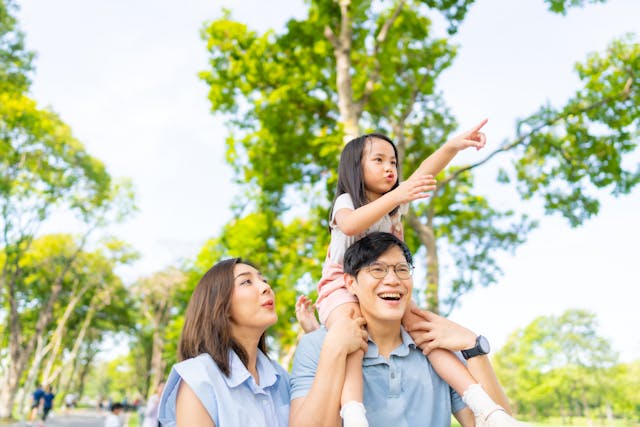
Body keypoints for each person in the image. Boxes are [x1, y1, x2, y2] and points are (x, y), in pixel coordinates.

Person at [311, 122, 519, 427]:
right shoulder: (348, 202)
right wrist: (398, 197)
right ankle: (354, 415)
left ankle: (486, 408)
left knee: (426, 334)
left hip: (381, 289)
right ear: (355, 168)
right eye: (378, 160)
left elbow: (423, 174)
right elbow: (352, 224)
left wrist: (452, 147)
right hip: (340, 287)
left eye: (393, 162)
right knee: (352, 336)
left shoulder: (393, 208)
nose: (389, 168)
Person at [291, 232, 526, 427]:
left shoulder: (435, 347)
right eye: (378, 270)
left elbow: (496, 421)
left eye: (402, 270)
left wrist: (472, 346)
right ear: (351, 283)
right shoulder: (317, 346)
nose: (393, 280)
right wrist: (334, 351)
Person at [158, 258, 362, 427]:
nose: (266, 287)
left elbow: (322, 415)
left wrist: (317, 337)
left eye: (263, 280)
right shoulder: (198, 378)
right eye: (246, 282)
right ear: (219, 305)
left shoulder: (280, 379)